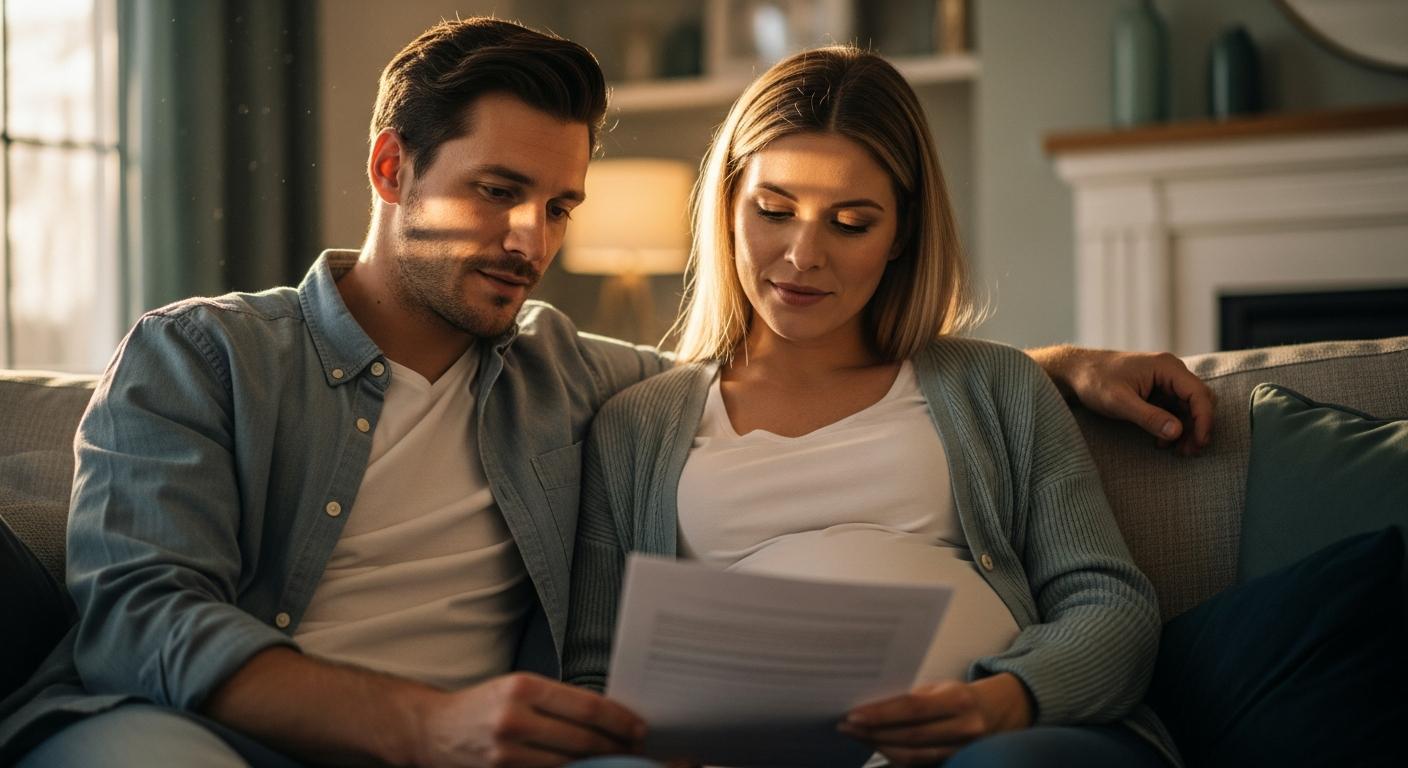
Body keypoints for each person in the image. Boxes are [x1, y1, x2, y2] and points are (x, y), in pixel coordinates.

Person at [0, 17, 1205, 768]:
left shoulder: (564, 376)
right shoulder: (199, 355)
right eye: (493, 190)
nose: (532, 238)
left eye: (561, 205)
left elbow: (805, 380)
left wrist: (1062, 368)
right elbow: (142, 616)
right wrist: (423, 727)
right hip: (202, 733)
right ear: (389, 168)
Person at [563, 47, 1181, 767]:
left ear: (901, 236)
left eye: (851, 222)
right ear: (728, 206)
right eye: (773, 210)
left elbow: (1110, 604)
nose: (802, 256)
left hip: (994, 744)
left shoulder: (1000, 388)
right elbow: (594, 673)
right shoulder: (635, 427)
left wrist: (1001, 701)